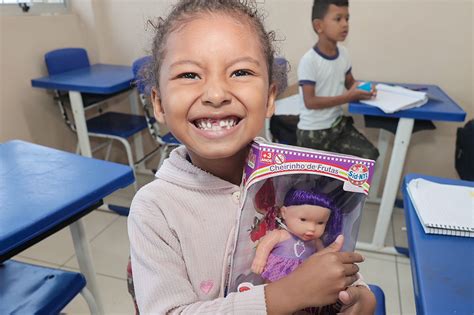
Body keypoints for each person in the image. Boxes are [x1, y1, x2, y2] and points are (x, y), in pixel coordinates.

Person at [128, 0, 376, 313]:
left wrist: (360, 294)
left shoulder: (290, 177)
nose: (216, 95)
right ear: (159, 103)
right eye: (189, 75)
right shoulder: (154, 209)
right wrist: (286, 295)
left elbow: (322, 244)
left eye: (240, 72)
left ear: (270, 97)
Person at [296, 0, 379, 161]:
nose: (345, 24)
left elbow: (350, 83)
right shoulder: (310, 61)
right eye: (338, 19)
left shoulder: (344, 54)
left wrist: (365, 88)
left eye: (347, 19)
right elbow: (310, 101)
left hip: (337, 126)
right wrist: (349, 97)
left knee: (368, 156)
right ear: (319, 26)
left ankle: (341, 186)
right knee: (313, 183)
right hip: (313, 132)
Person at [251, 188, 342, 283]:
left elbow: (322, 255)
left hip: (304, 275)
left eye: (320, 222)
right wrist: (260, 260)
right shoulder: (280, 234)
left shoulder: (315, 242)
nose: (312, 228)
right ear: (284, 213)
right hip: (278, 272)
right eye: (303, 219)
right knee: (270, 287)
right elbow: (264, 246)